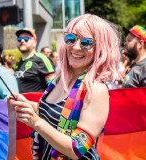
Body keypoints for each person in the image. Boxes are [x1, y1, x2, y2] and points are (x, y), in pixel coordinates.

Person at [8, 14, 121, 159]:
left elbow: (77, 149)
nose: (76, 47)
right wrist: (27, 105)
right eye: (71, 39)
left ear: (100, 49)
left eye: (86, 42)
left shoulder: (96, 89)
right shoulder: (60, 79)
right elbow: (57, 116)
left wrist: (35, 121)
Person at [14, 28, 55, 93]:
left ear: (34, 43)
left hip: (35, 102)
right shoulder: (19, 62)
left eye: (26, 39)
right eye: (19, 39)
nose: (22, 41)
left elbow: (53, 85)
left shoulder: (41, 59)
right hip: (19, 102)